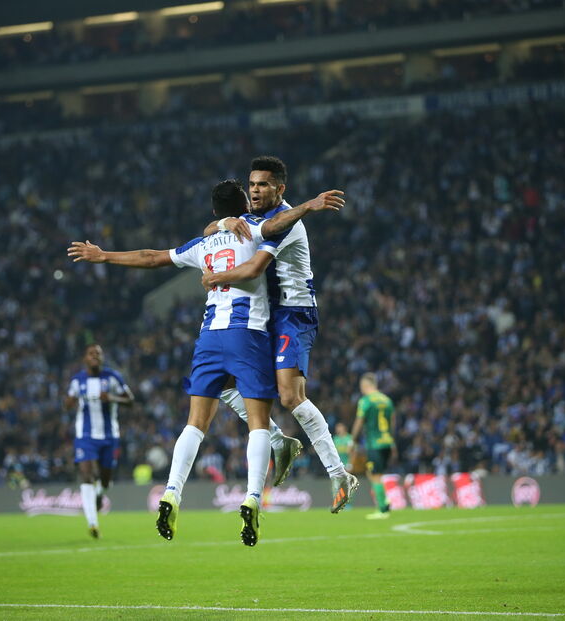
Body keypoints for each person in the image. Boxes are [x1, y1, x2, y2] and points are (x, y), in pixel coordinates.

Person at [68, 179, 340, 546]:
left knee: (196, 422)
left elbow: (152, 257)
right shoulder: (253, 230)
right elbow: (277, 224)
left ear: (213, 212)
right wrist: (309, 205)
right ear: (244, 204)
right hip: (248, 334)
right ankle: (252, 498)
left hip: (209, 337)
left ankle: (171, 491)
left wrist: (104, 256)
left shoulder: (204, 242)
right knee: (258, 422)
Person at [203, 155, 359, 513]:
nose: (256, 191)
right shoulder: (248, 218)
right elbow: (209, 231)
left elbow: (263, 248)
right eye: (252, 185)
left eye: (263, 185)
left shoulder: (289, 220)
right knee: (223, 381)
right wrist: (226, 220)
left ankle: (339, 473)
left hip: (292, 313)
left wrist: (308, 206)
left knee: (289, 396)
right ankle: (279, 441)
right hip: (262, 315)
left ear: (280, 189)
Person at [63, 343, 134, 539]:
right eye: (91, 354)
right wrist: (70, 401)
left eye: (98, 354)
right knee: (86, 475)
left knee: (104, 479)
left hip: (109, 436)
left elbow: (130, 400)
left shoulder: (112, 377)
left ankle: (100, 493)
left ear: (102, 358)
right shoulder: (77, 380)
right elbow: (66, 404)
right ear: (85, 358)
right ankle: (93, 523)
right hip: (85, 437)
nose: (95, 356)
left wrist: (112, 398)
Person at [350, 373, 397, 520]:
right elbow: (393, 422)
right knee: (375, 474)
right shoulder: (387, 400)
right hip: (387, 442)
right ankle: (385, 499)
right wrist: (393, 442)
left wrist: (353, 440)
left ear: (365, 385)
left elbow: (359, 421)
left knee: (375, 475)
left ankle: (382, 509)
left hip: (374, 443)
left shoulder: (366, 401)